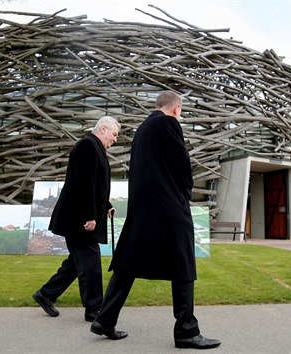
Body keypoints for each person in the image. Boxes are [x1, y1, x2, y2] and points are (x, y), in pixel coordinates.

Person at [89, 91, 221, 350]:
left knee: (128, 264)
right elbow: (183, 166)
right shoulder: (169, 123)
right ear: (176, 109)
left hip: (143, 209)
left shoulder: (142, 130)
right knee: (183, 264)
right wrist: (183, 198)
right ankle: (185, 331)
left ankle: (104, 319)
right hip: (169, 208)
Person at [32, 116, 120, 322]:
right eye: (114, 135)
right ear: (104, 129)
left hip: (79, 217)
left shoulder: (93, 146)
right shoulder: (87, 146)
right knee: (90, 262)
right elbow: (84, 183)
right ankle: (94, 309)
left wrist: (106, 205)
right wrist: (90, 215)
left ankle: (46, 295)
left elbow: (95, 184)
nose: (115, 140)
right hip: (79, 219)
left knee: (77, 262)